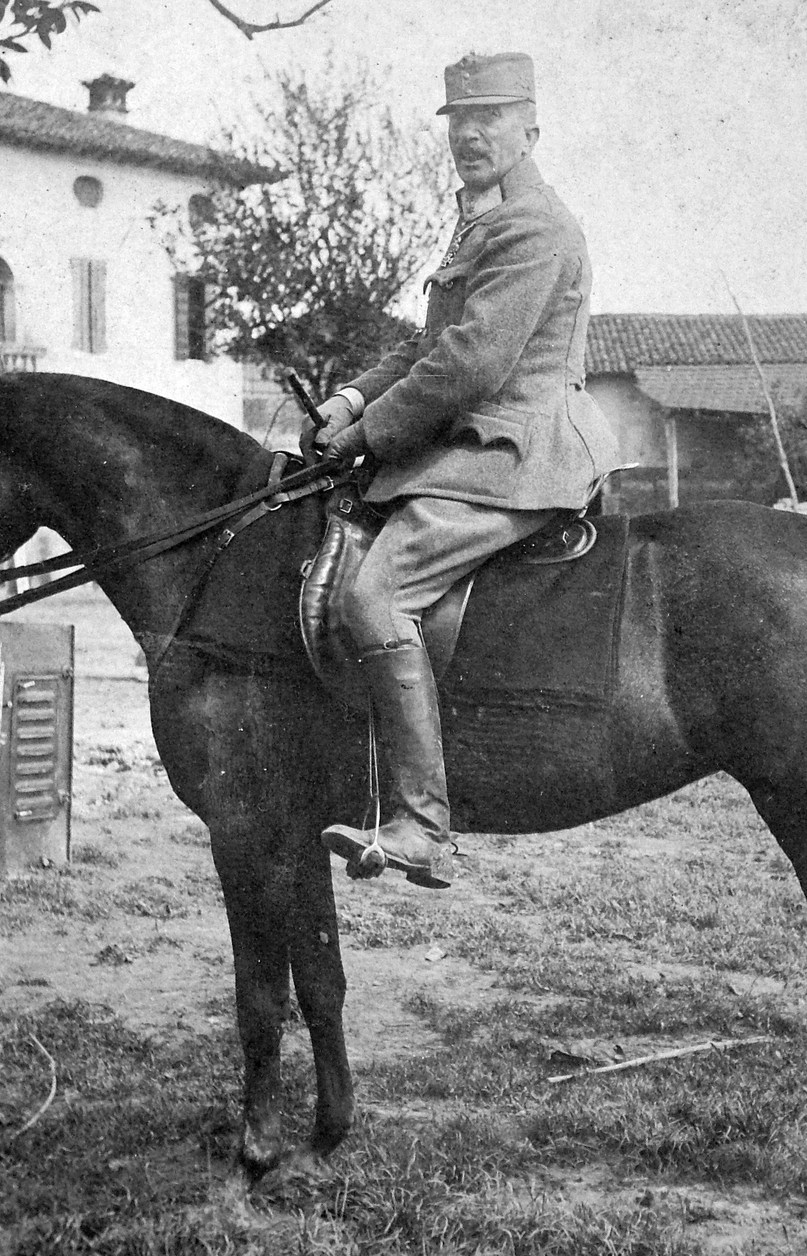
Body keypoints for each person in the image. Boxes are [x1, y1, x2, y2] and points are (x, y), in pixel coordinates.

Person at [302, 52, 621, 888]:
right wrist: (347, 399)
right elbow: (427, 344)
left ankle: (420, 823)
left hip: (518, 453)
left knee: (373, 595)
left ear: (531, 128)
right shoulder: (479, 219)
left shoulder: (535, 226)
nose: (471, 133)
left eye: (491, 116)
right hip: (473, 446)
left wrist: (370, 434)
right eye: (458, 119)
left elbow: (473, 364)